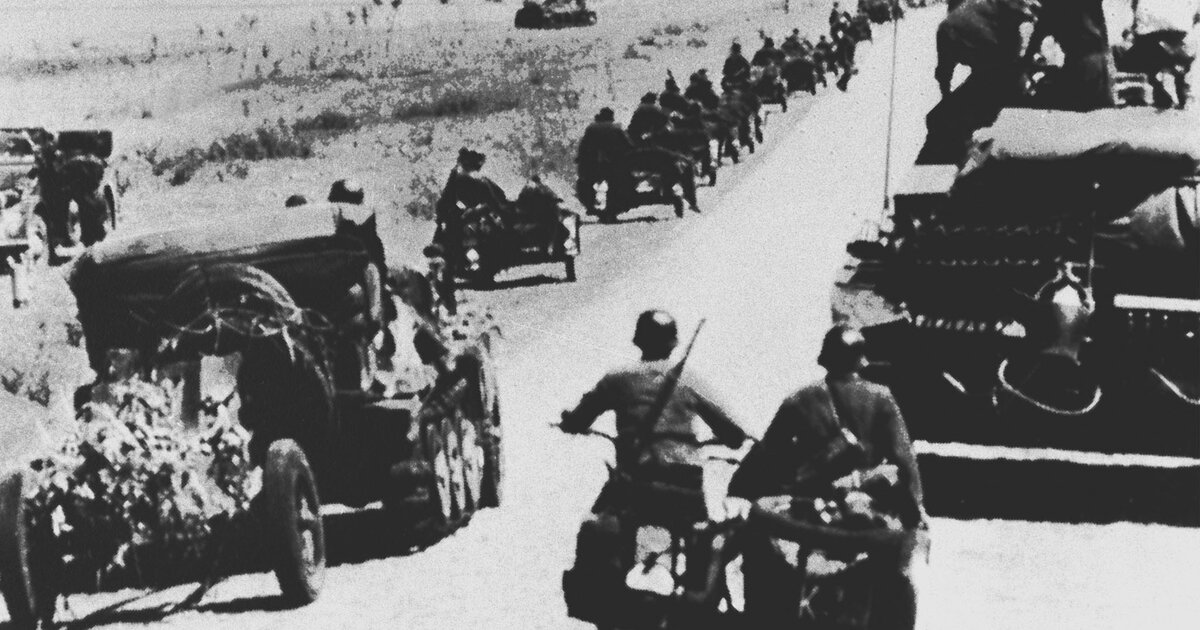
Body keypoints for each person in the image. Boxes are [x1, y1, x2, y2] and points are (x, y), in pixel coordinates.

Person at [730, 324, 928, 630]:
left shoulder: (800, 399)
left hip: (810, 511)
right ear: (861, 360)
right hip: (863, 513)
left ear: (825, 358)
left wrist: (740, 491)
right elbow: (905, 461)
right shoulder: (881, 398)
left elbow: (767, 457)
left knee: (757, 547)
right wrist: (916, 510)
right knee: (898, 579)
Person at [1124, 0, 1199, 108]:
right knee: (1174, 73)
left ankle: (1168, 98)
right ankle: (1173, 99)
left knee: (1158, 73)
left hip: (1157, 36)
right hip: (1174, 34)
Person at [576, 107, 633, 212]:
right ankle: (614, 204)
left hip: (593, 163)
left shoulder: (591, 128)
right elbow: (627, 146)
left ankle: (590, 205)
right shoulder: (616, 128)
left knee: (586, 182)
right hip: (613, 163)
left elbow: (583, 146)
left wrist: (580, 158)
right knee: (618, 182)